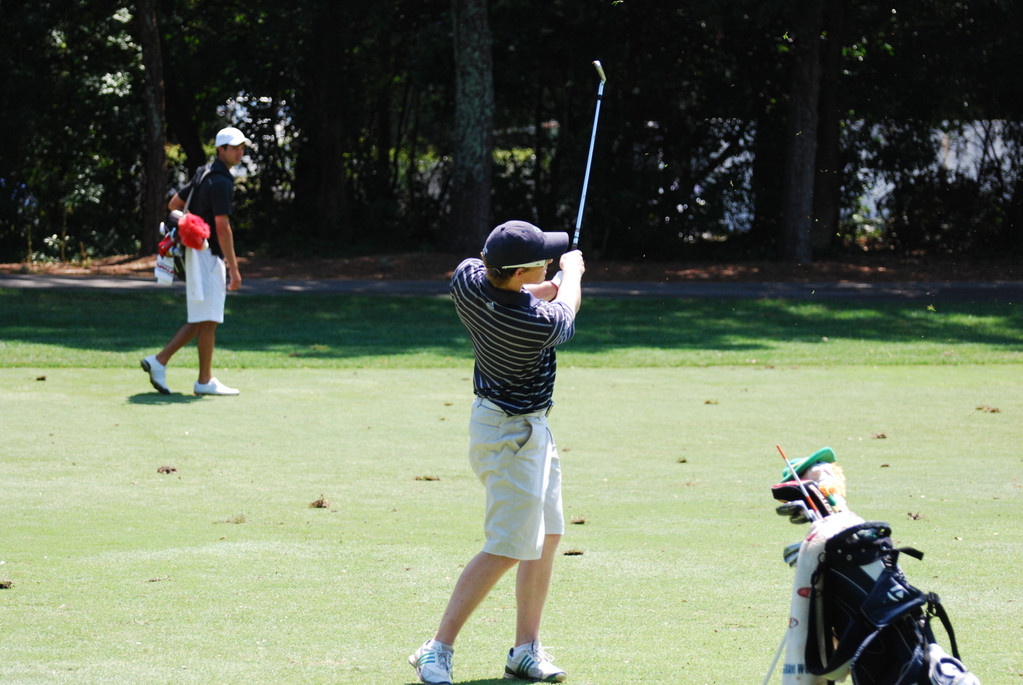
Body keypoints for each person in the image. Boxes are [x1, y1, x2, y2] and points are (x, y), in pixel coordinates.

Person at [409, 220, 585, 684]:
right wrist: (573, 274)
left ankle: (525, 650)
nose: (551, 257)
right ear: (519, 272)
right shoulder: (533, 324)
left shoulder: (467, 280)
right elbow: (566, 311)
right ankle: (437, 648)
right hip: (509, 436)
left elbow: (526, 293)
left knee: (546, 535)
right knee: (508, 546)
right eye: (542, 258)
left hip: (528, 429)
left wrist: (547, 280)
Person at [141, 126, 249, 396]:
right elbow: (223, 228)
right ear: (220, 150)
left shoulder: (204, 172)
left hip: (195, 253)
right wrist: (234, 270)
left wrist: (192, 225)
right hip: (207, 255)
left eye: (241, 147)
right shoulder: (221, 181)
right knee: (205, 317)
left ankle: (202, 379)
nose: (239, 152)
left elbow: (174, 204)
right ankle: (162, 361)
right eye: (234, 147)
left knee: (207, 318)